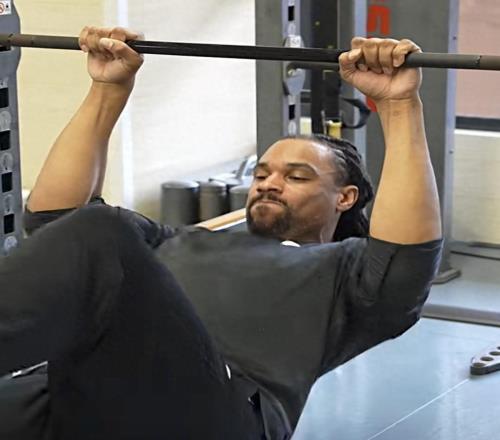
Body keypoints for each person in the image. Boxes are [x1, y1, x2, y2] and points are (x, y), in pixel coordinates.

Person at [0, 26, 442, 440]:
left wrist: (399, 105)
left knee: (102, 231)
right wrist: (107, 89)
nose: (269, 183)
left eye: (296, 176)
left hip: (218, 412)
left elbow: (406, 255)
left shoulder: (344, 273)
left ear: (344, 198)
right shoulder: (171, 241)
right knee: (88, 236)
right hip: (74, 395)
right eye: (262, 174)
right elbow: (56, 217)